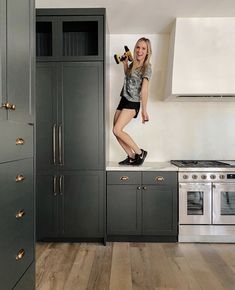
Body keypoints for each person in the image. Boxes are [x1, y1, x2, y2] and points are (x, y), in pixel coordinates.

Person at [113, 37, 152, 166]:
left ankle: (139, 153)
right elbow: (128, 75)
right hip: (124, 98)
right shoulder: (133, 64)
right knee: (115, 130)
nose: (140, 51)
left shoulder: (147, 68)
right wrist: (125, 64)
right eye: (138, 47)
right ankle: (131, 156)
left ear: (147, 52)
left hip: (133, 101)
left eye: (143, 48)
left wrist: (144, 111)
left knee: (117, 130)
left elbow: (145, 90)